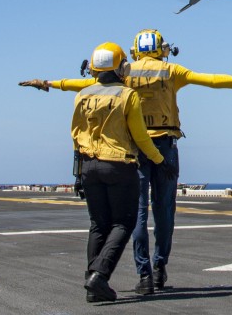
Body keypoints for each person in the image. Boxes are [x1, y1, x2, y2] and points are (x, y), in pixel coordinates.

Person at [19, 28, 232, 295]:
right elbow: (211, 80)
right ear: (160, 48)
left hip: (134, 149)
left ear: (135, 51)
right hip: (165, 146)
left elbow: (84, 84)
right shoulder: (171, 71)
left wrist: (49, 83)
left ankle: (143, 276)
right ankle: (159, 268)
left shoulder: (125, 74)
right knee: (165, 211)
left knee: (139, 212)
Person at [70, 41, 164, 303]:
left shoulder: (82, 95)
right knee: (124, 223)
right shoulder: (127, 95)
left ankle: (92, 284)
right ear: (121, 67)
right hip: (119, 166)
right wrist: (159, 160)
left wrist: (78, 174)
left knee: (98, 225)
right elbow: (141, 137)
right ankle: (99, 276)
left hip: (88, 167)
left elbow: (76, 136)